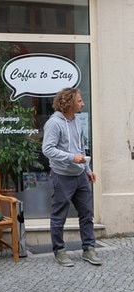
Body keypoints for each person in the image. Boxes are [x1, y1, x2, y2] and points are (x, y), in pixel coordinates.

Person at [42, 87, 101, 267]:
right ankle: (59, 251)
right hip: (61, 176)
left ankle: (89, 248)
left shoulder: (76, 121)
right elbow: (47, 149)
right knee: (59, 216)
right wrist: (71, 157)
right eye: (79, 100)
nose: (82, 103)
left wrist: (88, 169)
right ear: (68, 103)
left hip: (80, 174)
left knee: (86, 213)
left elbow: (81, 148)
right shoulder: (54, 123)